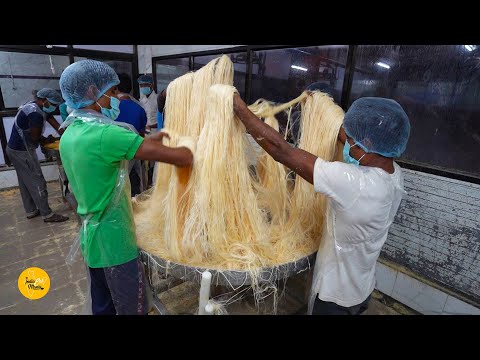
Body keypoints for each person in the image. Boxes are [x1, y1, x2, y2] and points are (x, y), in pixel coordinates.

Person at [232, 92, 410, 315]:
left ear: (368, 144)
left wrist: (240, 110)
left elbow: (281, 151)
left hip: (335, 299)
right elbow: (351, 139)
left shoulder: (355, 183)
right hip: (362, 287)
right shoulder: (394, 174)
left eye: (352, 142)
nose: (347, 145)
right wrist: (318, 106)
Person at [59, 60, 193, 315]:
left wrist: (148, 140)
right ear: (91, 93)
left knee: (104, 305)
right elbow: (183, 158)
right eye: (110, 93)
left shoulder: (71, 133)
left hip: (93, 240)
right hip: (115, 242)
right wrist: (196, 143)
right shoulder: (107, 135)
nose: (115, 99)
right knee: (133, 307)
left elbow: (111, 155)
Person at [6, 88, 69, 223]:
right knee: (37, 181)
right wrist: (46, 140)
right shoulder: (35, 114)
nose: (54, 107)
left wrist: (66, 135)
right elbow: (35, 137)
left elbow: (54, 122)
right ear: (44, 100)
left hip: (14, 149)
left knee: (25, 181)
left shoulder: (36, 106)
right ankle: (47, 214)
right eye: (53, 104)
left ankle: (31, 211)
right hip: (22, 152)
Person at [115, 73, 148, 196]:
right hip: (135, 152)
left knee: (118, 189)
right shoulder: (139, 109)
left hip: (115, 155)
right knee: (134, 184)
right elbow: (141, 135)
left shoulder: (110, 109)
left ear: (116, 88)